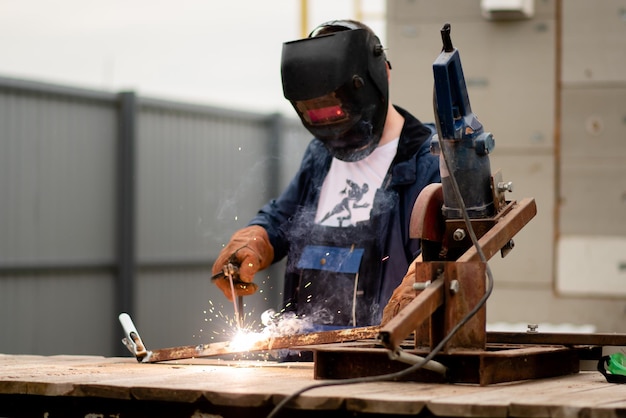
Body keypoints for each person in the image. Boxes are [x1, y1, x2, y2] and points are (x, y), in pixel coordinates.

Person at [212, 19, 440, 329]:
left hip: (385, 360)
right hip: (302, 358)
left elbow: (448, 251)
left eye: (340, 111)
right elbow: (283, 219)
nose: (336, 133)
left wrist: (424, 281)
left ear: (381, 73)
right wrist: (254, 240)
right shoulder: (320, 154)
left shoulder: (429, 156)